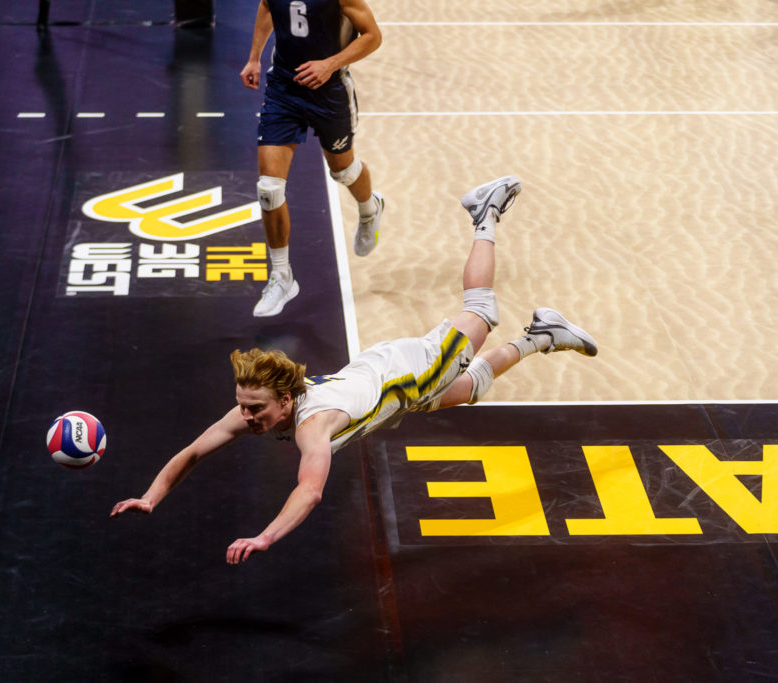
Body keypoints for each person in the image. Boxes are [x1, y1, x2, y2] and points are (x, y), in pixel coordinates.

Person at [110, 177, 598, 564]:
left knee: (482, 311)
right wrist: (151, 497)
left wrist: (264, 537)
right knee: (467, 390)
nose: (246, 417)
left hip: (411, 372)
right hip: (381, 376)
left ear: (285, 400)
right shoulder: (261, 406)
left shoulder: (315, 424)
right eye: (243, 406)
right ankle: (542, 334)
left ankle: (485, 211)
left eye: (254, 409)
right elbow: (194, 451)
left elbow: (310, 490)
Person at [240, 0, 385, 317]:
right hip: (283, 87)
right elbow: (267, 6)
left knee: (343, 171)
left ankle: (370, 207)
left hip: (329, 91)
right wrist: (254, 58)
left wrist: (330, 63)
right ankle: (281, 276)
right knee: (269, 188)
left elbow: (372, 35)